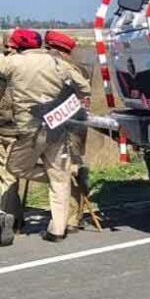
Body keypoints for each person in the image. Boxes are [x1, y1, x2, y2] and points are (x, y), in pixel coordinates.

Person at [0, 28, 91, 243]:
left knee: (15, 168)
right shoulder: (58, 63)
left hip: (28, 128)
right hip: (57, 127)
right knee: (60, 176)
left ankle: (15, 219)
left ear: (18, 46)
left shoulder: (13, 63)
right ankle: (57, 231)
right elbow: (84, 88)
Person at [44, 31, 92, 231]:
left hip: (71, 126)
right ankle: (69, 214)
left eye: (49, 49)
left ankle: (72, 216)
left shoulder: (69, 70)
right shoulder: (72, 68)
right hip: (67, 125)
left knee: (71, 167)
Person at [0, 28, 44, 246]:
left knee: (7, 175)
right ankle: (15, 218)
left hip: (10, 128)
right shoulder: (37, 66)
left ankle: (6, 219)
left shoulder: (10, 67)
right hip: (32, 128)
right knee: (10, 175)